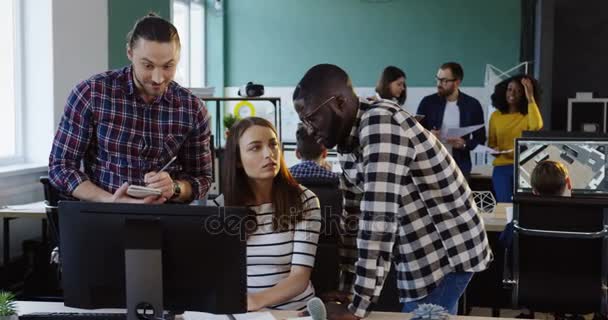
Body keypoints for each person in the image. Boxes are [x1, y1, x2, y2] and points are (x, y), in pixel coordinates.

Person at [293, 64, 491, 319]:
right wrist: (349, 290)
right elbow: (353, 218)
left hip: (445, 253)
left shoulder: (380, 123)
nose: (309, 130)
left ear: (340, 103)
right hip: (418, 252)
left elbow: (379, 218)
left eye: (311, 118)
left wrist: (357, 308)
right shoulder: (348, 140)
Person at [48, 14, 212, 204]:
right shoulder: (92, 94)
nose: (158, 78)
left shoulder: (192, 108)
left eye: (168, 66)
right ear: (129, 53)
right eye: (148, 65)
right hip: (103, 215)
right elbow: (61, 167)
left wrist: (175, 188)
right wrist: (110, 201)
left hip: (165, 219)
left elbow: (202, 178)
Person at [218, 117, 322, 311]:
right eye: (255, 148)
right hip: (244, 313)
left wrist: (255, 302)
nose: (269, 154)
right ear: (238, 160)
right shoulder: (220, 207)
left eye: (273, 144)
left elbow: (299, 277)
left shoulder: (305, 200)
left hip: (293, 311)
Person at [499, 160, 571, 319]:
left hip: (528, 290)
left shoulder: (520, 219)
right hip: (576, 291)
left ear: (534, 189)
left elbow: (503, 242)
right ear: (565, 186)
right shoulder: (582, 220)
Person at [416, 62, 486, 178]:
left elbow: (481, 139)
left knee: (459, 196)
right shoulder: (427, 102)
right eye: (437, 79)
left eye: (444, 81)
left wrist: (464, 144)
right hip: (431, 164)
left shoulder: (472, 105)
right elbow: (415, 133)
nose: (439, 84)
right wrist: (429, 135)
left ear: (457, 82)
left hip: (460, 166)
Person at [489, 75, 543, 202]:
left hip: (524, 167)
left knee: (524, 206)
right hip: (502, 169)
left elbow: (536, 126)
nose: (512, 93)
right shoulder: (496, 116)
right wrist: (493, 149)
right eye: (509, 89)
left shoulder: (527, 115)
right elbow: (491, 143)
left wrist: (530, 97)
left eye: (518, 90)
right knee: (504, 206)